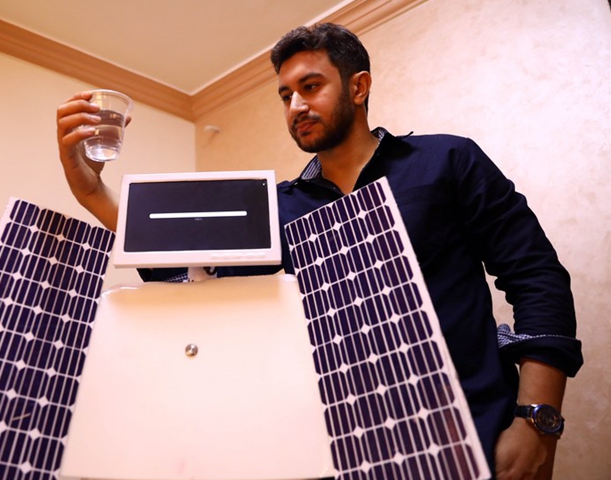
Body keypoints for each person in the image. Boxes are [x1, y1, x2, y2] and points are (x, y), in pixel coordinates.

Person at [56, 23, 582, 480]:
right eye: (285, 95)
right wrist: (91, 193)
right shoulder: (275, 209)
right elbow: (187, 273)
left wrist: (536, 421)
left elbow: (537, 277)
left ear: (359, 86)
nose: (296, 106)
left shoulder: (445, 160)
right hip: (336, 450)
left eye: (310, 87)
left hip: (473, 432)